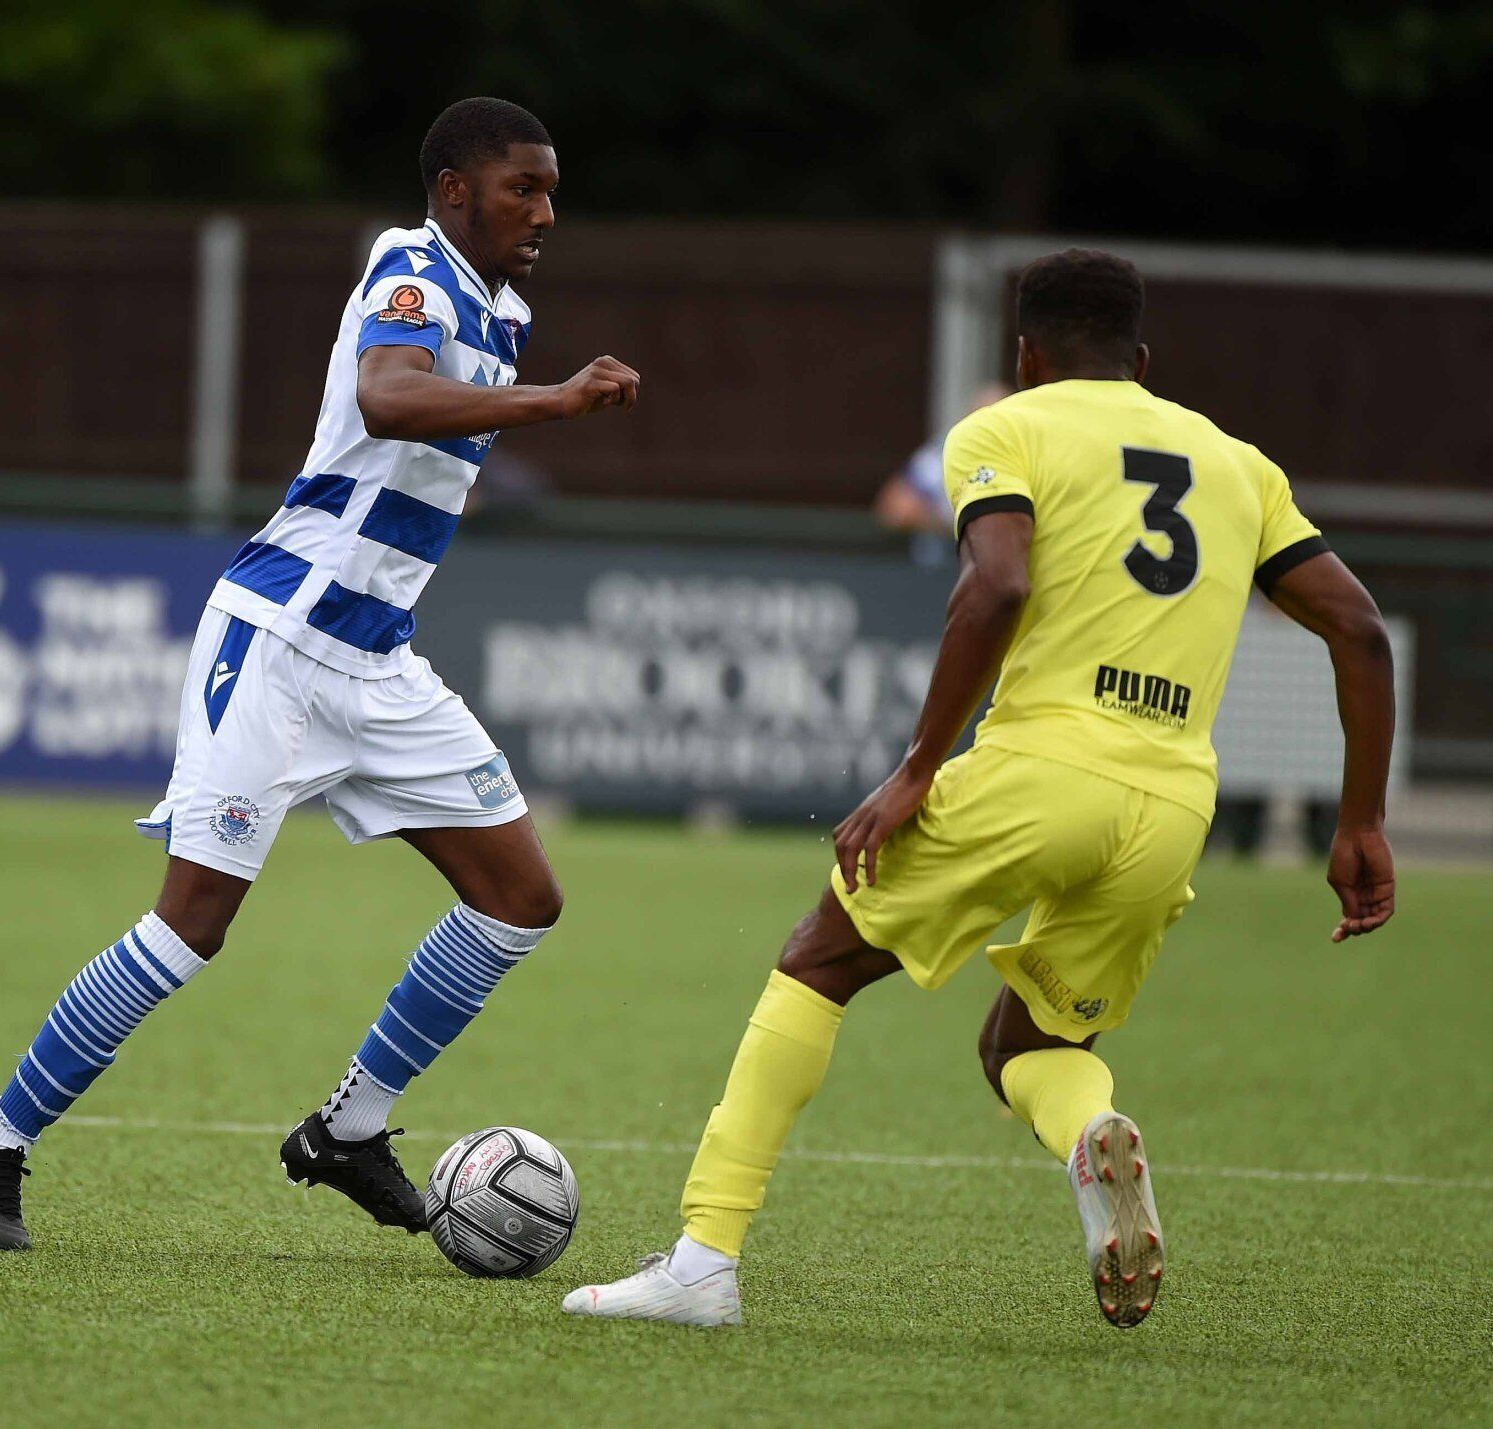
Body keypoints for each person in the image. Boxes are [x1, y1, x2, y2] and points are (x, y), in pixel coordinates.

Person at [564, 248, 1395, 1329]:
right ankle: (1090, 1133)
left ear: (1027, 354)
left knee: (819, 960)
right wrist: (1360, 820)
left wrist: (917, 767)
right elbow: (1359, 629)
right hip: (1172, 807)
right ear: (1142, 359)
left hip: (1042, 769)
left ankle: (702, 1261)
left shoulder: (1008, 427)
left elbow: (997, 581)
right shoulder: (1240, 464)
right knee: (1032, 1046)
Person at [0, 98, 640, 1249]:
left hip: (377, 660)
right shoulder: (412, 269)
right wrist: (553, 400)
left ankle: (347, 1130)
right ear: (455, 189)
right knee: (191, 925)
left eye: (552, 192)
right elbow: (387, 397)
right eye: (525, 188)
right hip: (277, 643)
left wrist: (516, 421)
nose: (545, 212)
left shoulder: (504, 312)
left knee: (521, 897)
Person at [873, 382, 1012, 567]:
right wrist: (954, 525)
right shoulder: (944, 452)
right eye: (982, 417)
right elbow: (896, 509)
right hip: (940, 567)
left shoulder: (1024, 459)